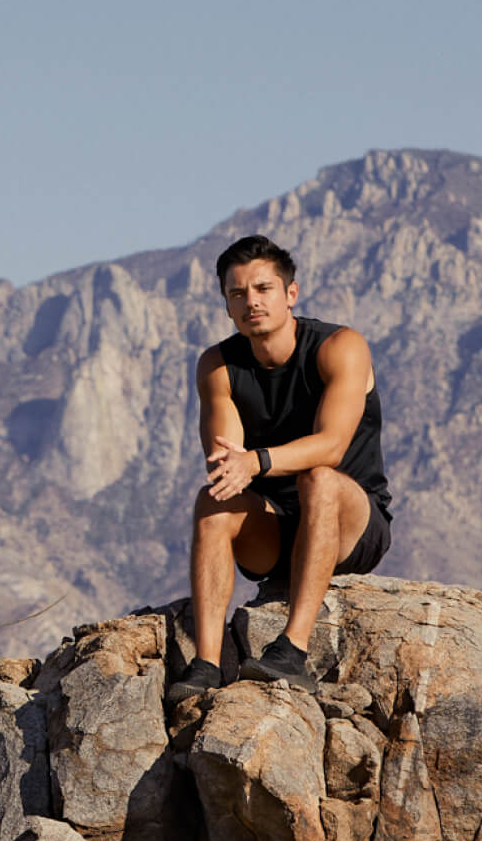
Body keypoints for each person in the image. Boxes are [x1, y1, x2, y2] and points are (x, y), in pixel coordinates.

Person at [167, 235, 395, 703]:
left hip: (350, 525)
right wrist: (240, 465)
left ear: (290, 294)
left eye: (263, 289)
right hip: (277, 532)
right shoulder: (218, 366)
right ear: (227, 305)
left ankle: (292, 650)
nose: (251, 301)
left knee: (319, 479)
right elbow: (225, 461)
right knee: (213, 499)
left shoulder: (340, 347)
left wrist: (257, 460)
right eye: (237, 293)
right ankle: (207, 663)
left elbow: (331, 446)